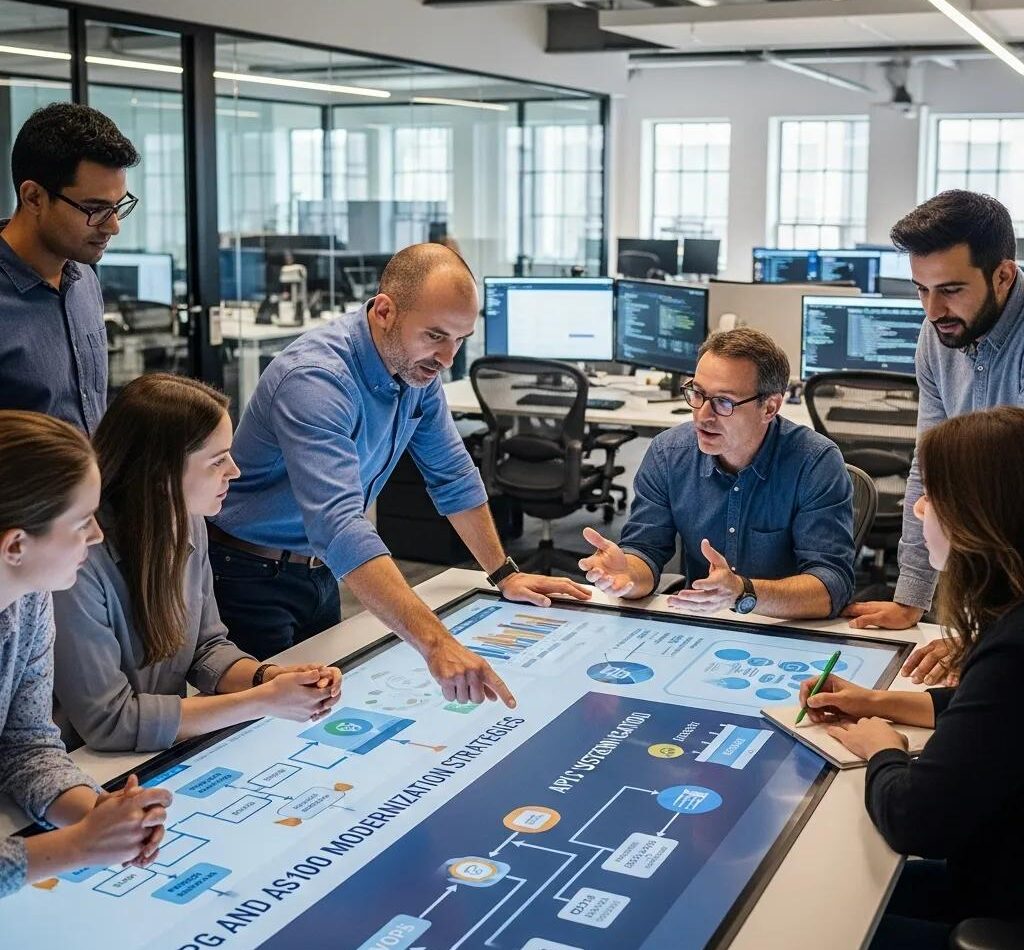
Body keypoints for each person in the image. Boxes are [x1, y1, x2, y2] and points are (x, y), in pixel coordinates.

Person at [208, 243, 589, 708]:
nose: (448, 357)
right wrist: (436, 643)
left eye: (461, 339)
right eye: (435, 335)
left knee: (320, 709)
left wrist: (504, 573)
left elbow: (452, 475)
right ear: (385, 311)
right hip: (248, 576)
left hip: (321, 570)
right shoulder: (315, 379)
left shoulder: (414, 371)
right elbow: (340, 525)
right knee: (266, 726)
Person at [800, 406, 1024, 948]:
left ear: (978, 516)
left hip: (999, 909)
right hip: (996, 876)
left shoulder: (1014, 650)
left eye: (934, 496)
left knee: (809, 921)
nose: (919, 506)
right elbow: (999, 718)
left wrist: (884, 749)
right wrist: (880, 702)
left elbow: (915, 821)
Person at [52, 375, 342, 753]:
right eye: (218, 460)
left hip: (155, 754)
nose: (235, 472)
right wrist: (261, 701)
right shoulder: (78, 564)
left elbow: (205, 648)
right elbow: (110, 722)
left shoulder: (189, 521)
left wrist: (268, 678)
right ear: (161, 473)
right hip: (81, 771)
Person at [845, 191, 1024, 684]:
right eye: (921, 289)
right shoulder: (939, 333)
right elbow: (931, 469)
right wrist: (912, 597)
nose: (932, 309)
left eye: (950, 289)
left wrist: (985, 638)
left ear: (1003, 275)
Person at [0, 410, 171, 897]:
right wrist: (77, 848)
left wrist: (99, 814)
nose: (96, 536)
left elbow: (25, 744)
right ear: (15, 545)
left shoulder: (28, 597)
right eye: (80, 523)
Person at [580, 327, 856, 620]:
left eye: (724, 401)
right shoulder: (668, 454)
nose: (702, 415)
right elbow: (644, 551)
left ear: (770, 407)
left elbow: (832, 587)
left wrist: (743, 592)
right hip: (703, 624)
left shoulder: (814, 462)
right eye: (697, 393)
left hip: (787, 627)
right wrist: (629, 575)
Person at [0, 103, 139, 435]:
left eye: (118, 206)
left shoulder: (83, 278)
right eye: (94, 208)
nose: (113, 226)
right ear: (33, 197)